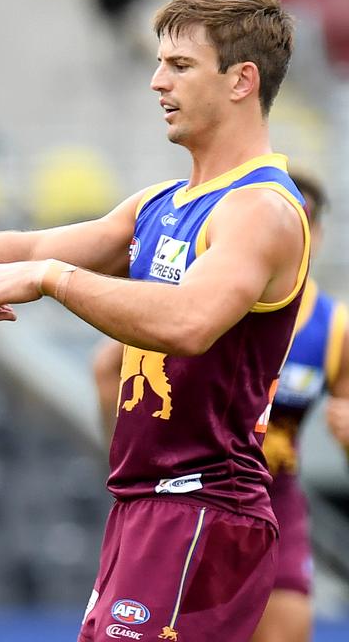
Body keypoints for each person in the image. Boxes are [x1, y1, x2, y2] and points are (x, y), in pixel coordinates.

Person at [0, 0, 306, 642]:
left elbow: (187, 322)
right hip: (146, 510)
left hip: (202, 508)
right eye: (160, 63)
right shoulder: (159, 203)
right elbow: (31, 246)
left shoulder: (261, 211)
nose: (157, 82)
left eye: (180, 66)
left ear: (242, 80)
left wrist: (54, 280)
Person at [92, 171, 348, 642]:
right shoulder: (212, 298)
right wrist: (124, 454)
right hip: (196, 487)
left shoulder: (335, 328)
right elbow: (112, 368)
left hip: (275, 496)